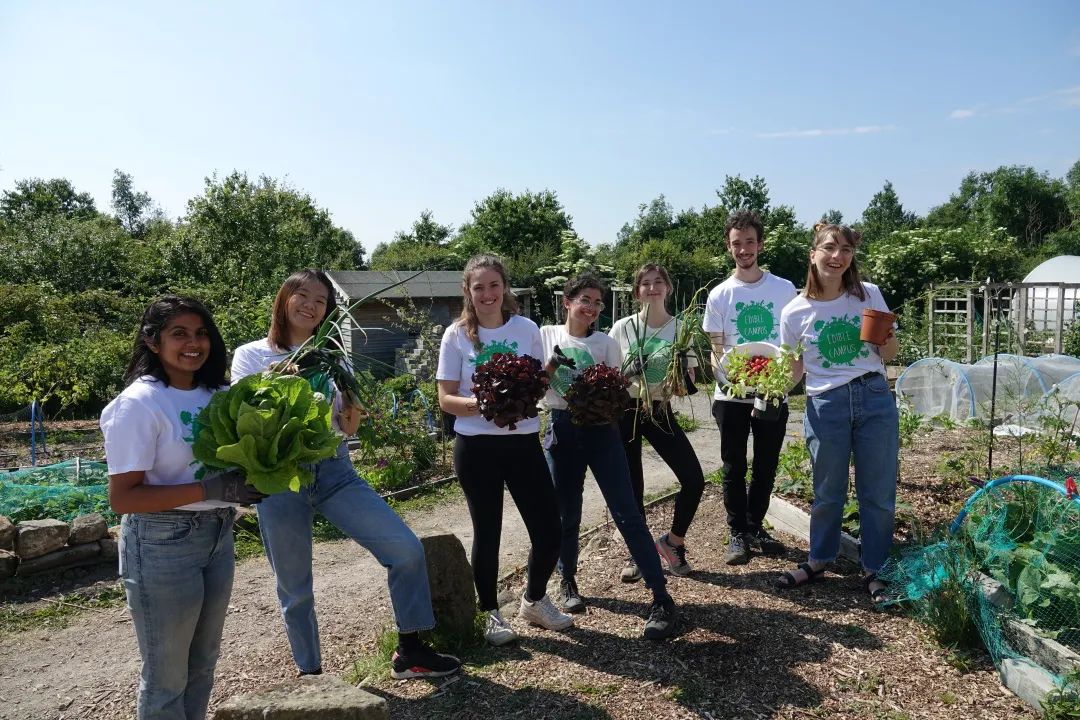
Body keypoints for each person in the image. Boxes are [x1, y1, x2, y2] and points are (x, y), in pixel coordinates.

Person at [231, 269, 460, 680]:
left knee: (405, 550)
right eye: (302, 295)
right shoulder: (251, 355)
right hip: (279, 476)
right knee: (295, 587)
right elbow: (245, 417)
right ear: (284, 299)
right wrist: (279, 380)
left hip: (334, 469)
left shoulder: (334, 355)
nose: (310, 305)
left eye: (320, 300)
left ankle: (410, 651)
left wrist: (353, 402)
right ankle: (312, 676)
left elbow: (349, 427)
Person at [102, 295, 264, 720]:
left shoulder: (220, 394)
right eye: (179, 334)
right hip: (162, 542)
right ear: (152, 342)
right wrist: (210, 487)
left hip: (217, 533)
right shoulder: (139, 405)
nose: (194, 343)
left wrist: (254, 480)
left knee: (204, 663)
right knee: (166, 676)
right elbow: (124, 498)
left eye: (201, 333)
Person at [436, 255, 574, 646]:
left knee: (550, 529)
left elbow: (533, 385)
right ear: (468, 292)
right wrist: (486, 406)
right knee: (489, 532)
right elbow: (446, 398)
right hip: (476, 446)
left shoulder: (526, 328)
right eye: (478, 287)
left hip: (522, 442)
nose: (487, 294)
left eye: (494, 285)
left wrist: (548, 373)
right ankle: (490, 612)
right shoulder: (456, 335)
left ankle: (533, 599)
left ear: (504, 288)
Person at [540, 272, 679, 640]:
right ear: (567, 301)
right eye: (584, 299)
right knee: (566, 514)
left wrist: (624, 380)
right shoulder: (545, 335)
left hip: (602, 431)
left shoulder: (605, 343)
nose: (591, 307)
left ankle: (661, 598)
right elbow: (538, 383)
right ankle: (567, 582)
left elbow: (617, 389)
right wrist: (552, 366)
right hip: (562, 429)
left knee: (628, 513)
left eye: (598, 302)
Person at [777, 224, 899, 605]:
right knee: (828, 492)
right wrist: (767, 384)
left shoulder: (868, 294)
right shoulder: (795, 311)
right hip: (825, 403)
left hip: (874, 396)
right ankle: (819, 560)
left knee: (877, 492)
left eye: (845, 249)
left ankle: (876, 567)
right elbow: (793, 368)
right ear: (813, 254)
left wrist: (885, 334)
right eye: (829, 247)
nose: (838, 256)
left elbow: (889, 356)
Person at [703, 211, 798, 565]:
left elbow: (790, 343)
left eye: (749, 242)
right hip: (732, 394)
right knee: (733, 464)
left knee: (767, 463)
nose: (743, 250)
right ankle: (737, 532)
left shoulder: (784, 289)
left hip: (772, 389)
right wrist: (731, 379)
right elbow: (717, 351)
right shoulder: (719, 295)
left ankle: (755, 525)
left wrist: (781, 380)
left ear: (760, 244)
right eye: (736, 244)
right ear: (729, 247)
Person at [609, 264, 706, 581]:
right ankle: (639, 553)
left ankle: (673, 543)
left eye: (658, 282)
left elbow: (688, 381)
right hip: (627, 411)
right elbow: (608, 377)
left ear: (668, 288)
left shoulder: (681, 328)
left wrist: (679, 374)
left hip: (660, 410)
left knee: (693, 479)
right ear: (637, 291)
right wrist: (627, 373)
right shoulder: (622, 328)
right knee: (632, 487)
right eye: (645, 284)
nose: (652, 288)